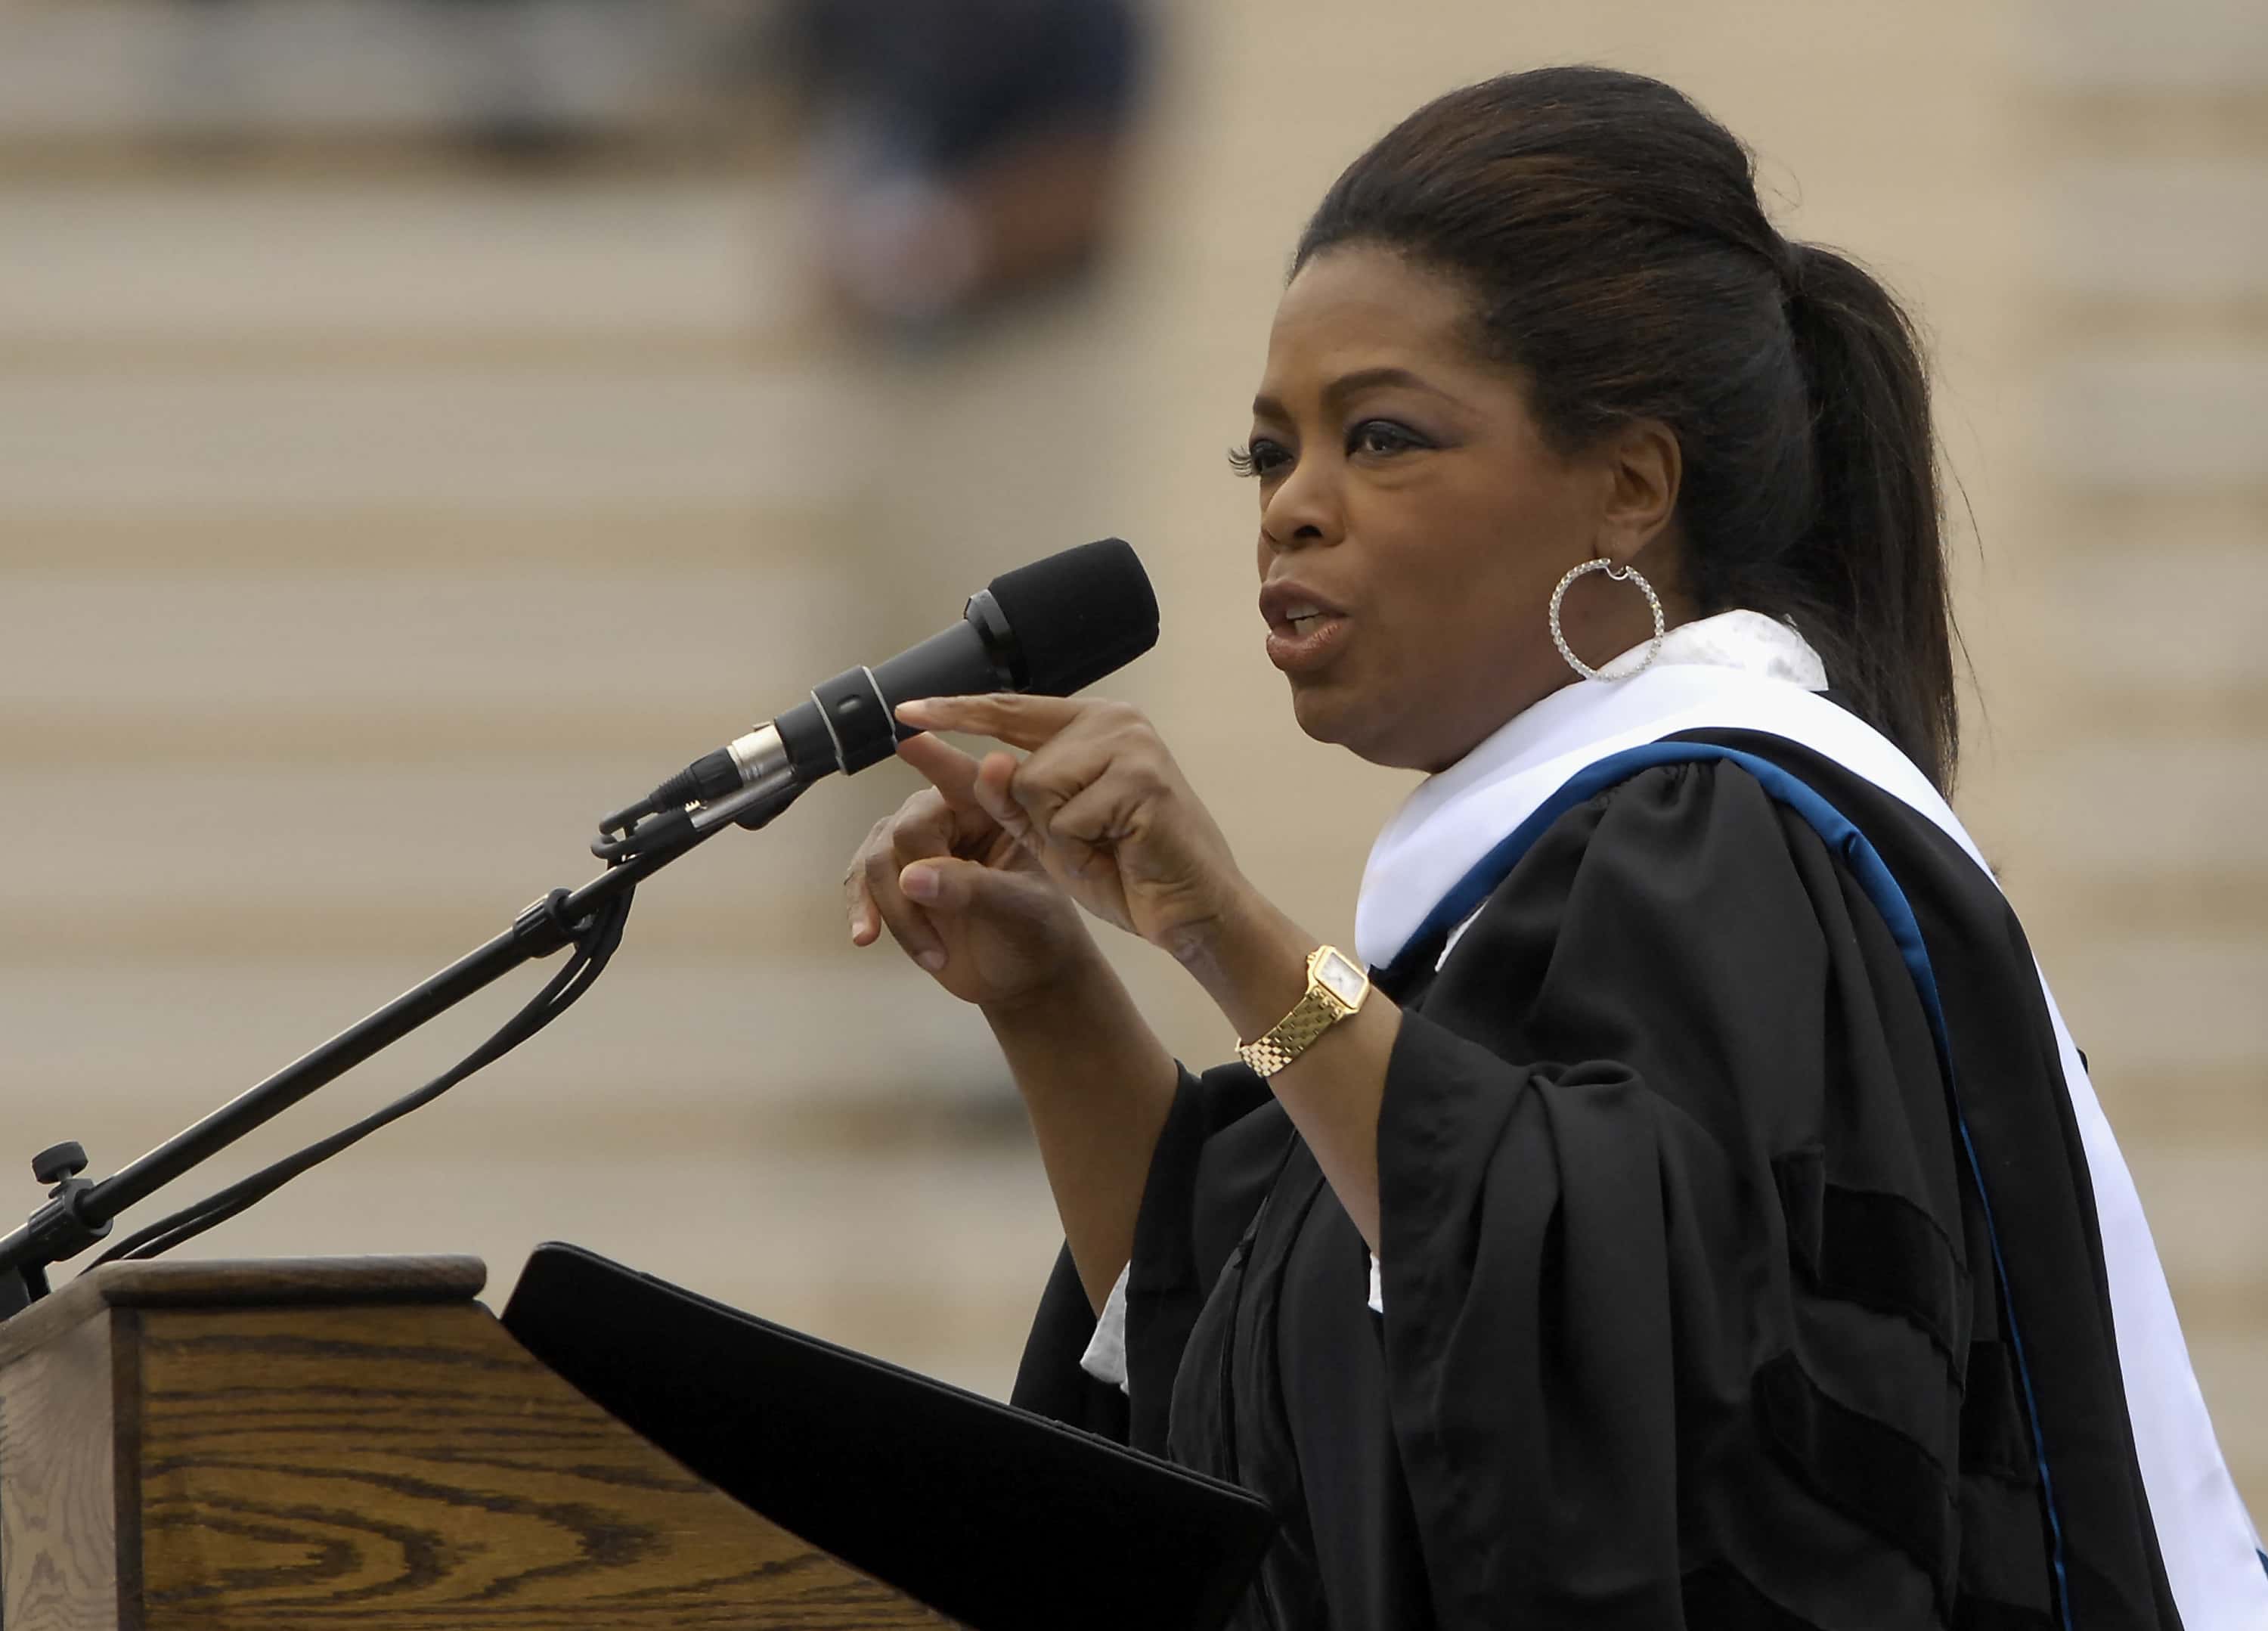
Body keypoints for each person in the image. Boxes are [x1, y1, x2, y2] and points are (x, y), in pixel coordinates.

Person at [842, 67, 2266, 1629]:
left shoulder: (1727, 838)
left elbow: (1611, 1382)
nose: (1294, 509)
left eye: (1382, 437)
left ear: (1630, 488)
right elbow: (1256, 1401)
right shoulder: (1519, 910)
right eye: (1269, 455)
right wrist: (1051, 995)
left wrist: (1231, 933)